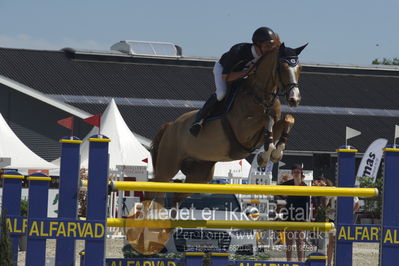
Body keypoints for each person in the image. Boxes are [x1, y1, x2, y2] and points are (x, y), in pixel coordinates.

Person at [189, 27, 279, 136]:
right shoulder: (238, 51)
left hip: (244, 73)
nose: (269, 50)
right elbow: (226, 77)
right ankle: (199, 120)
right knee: (221, 93)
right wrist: (247, 72)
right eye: (266, 46)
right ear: (257, 45)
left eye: (271, 46)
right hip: (223, 70)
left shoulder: (266, 55)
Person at [325, 180, 360, 266]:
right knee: (331, 241)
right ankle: (329, 263)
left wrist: (351, 212)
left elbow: (357, 204)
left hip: (344, 219)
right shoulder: (334, 190)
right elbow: (326, 204)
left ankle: (340, 261)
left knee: (341, 241)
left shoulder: (349, 190)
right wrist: (329, 210)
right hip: (333, 219)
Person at [280, 164, 310, 262]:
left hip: (300, 216)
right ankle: (289, 262)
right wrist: (281, 202)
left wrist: (305, 218)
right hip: (289, 214)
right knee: (289, 241)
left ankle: (300, 262)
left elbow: (307, 203)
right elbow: (276, 191)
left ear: (301, 173)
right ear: (292, 173)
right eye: (294, 172)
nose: (296, 174)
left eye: (298, 172)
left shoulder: (304, 186)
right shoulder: (288, 183)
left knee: (300, 241)